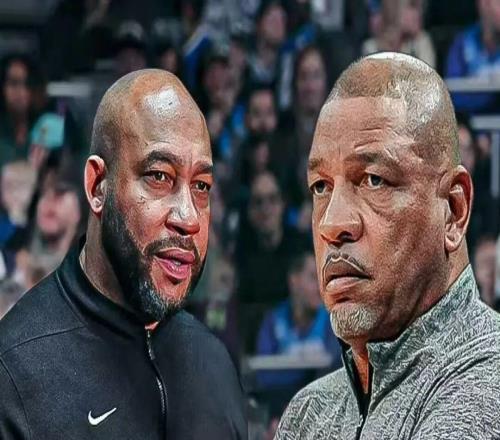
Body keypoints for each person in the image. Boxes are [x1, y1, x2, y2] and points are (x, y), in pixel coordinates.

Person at [0, 69, 247, 439]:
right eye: (159, 176)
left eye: (201, 186)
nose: (189, 218)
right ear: (97, 186)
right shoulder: (15, 371)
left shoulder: (214, 362)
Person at [276, 53, 500, 439]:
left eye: (374, 180)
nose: (332, 224)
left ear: (454, 210)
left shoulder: (487, 379)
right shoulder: (308, 414)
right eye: (320, 186)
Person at [256, 249, 342, 389]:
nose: (320, 288)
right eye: (313, 278)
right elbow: (263, 375)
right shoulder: (273, 322)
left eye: (322, 279)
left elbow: (335, 373)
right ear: (294, 280)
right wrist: (305, 374)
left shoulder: (332, 322)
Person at [446, 0, 500, 113]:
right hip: (470, 122)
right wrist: (492, 95)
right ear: (484, 4)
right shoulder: (462, 44)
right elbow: (453, 95)